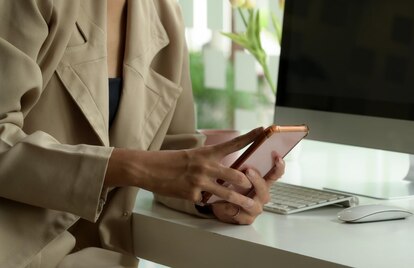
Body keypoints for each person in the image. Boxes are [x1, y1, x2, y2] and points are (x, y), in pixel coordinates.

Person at [0, 0, 283, 267]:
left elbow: (173, 148)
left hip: (103, 256)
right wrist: (133, 167)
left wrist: (219, 196)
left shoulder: (164, 13)